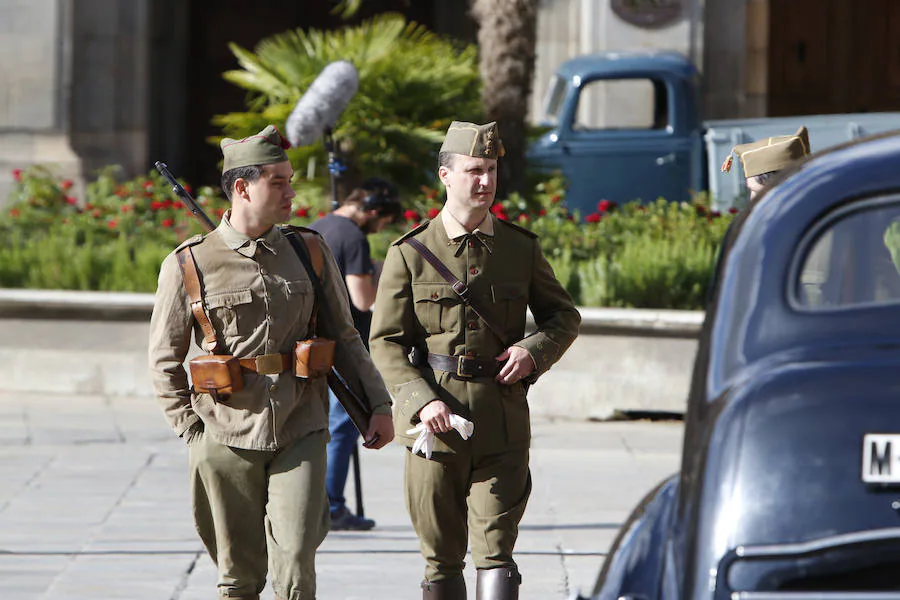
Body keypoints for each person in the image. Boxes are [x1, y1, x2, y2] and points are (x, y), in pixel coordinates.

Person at [148, 125, 394, 600]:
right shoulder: (189, 264)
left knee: (298, 562)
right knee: (239, 579)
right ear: (242, 187)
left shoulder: (310, 249)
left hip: (301, 424)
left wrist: (378, 403)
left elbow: (344, 336)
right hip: (225, 433)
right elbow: (164, 359)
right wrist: (193, 433)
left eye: (290, 179)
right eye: (277, 181)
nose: (291, 191)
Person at [369, 121, 581, 600]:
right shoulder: (409, 254)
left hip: (501, 421)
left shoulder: (519, 248)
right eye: (473, 170)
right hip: (434, 427)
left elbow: (563, 317)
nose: (484, 181)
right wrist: (420, 401)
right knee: (441, 556)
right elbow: (384, 341)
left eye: (490, 170)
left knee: (496, 552)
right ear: (446, 175)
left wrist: (533, 352)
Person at [308, 177, 402, 531]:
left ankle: (320, 502)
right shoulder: (353, 237)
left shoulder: (318, 227)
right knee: (344, 423)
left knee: (319, 425)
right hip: (344, 345)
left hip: (311, 342)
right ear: (373, 212)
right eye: (382, 223)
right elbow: (363, 299)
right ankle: (331, 505)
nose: (379, 230)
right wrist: (381, 276)